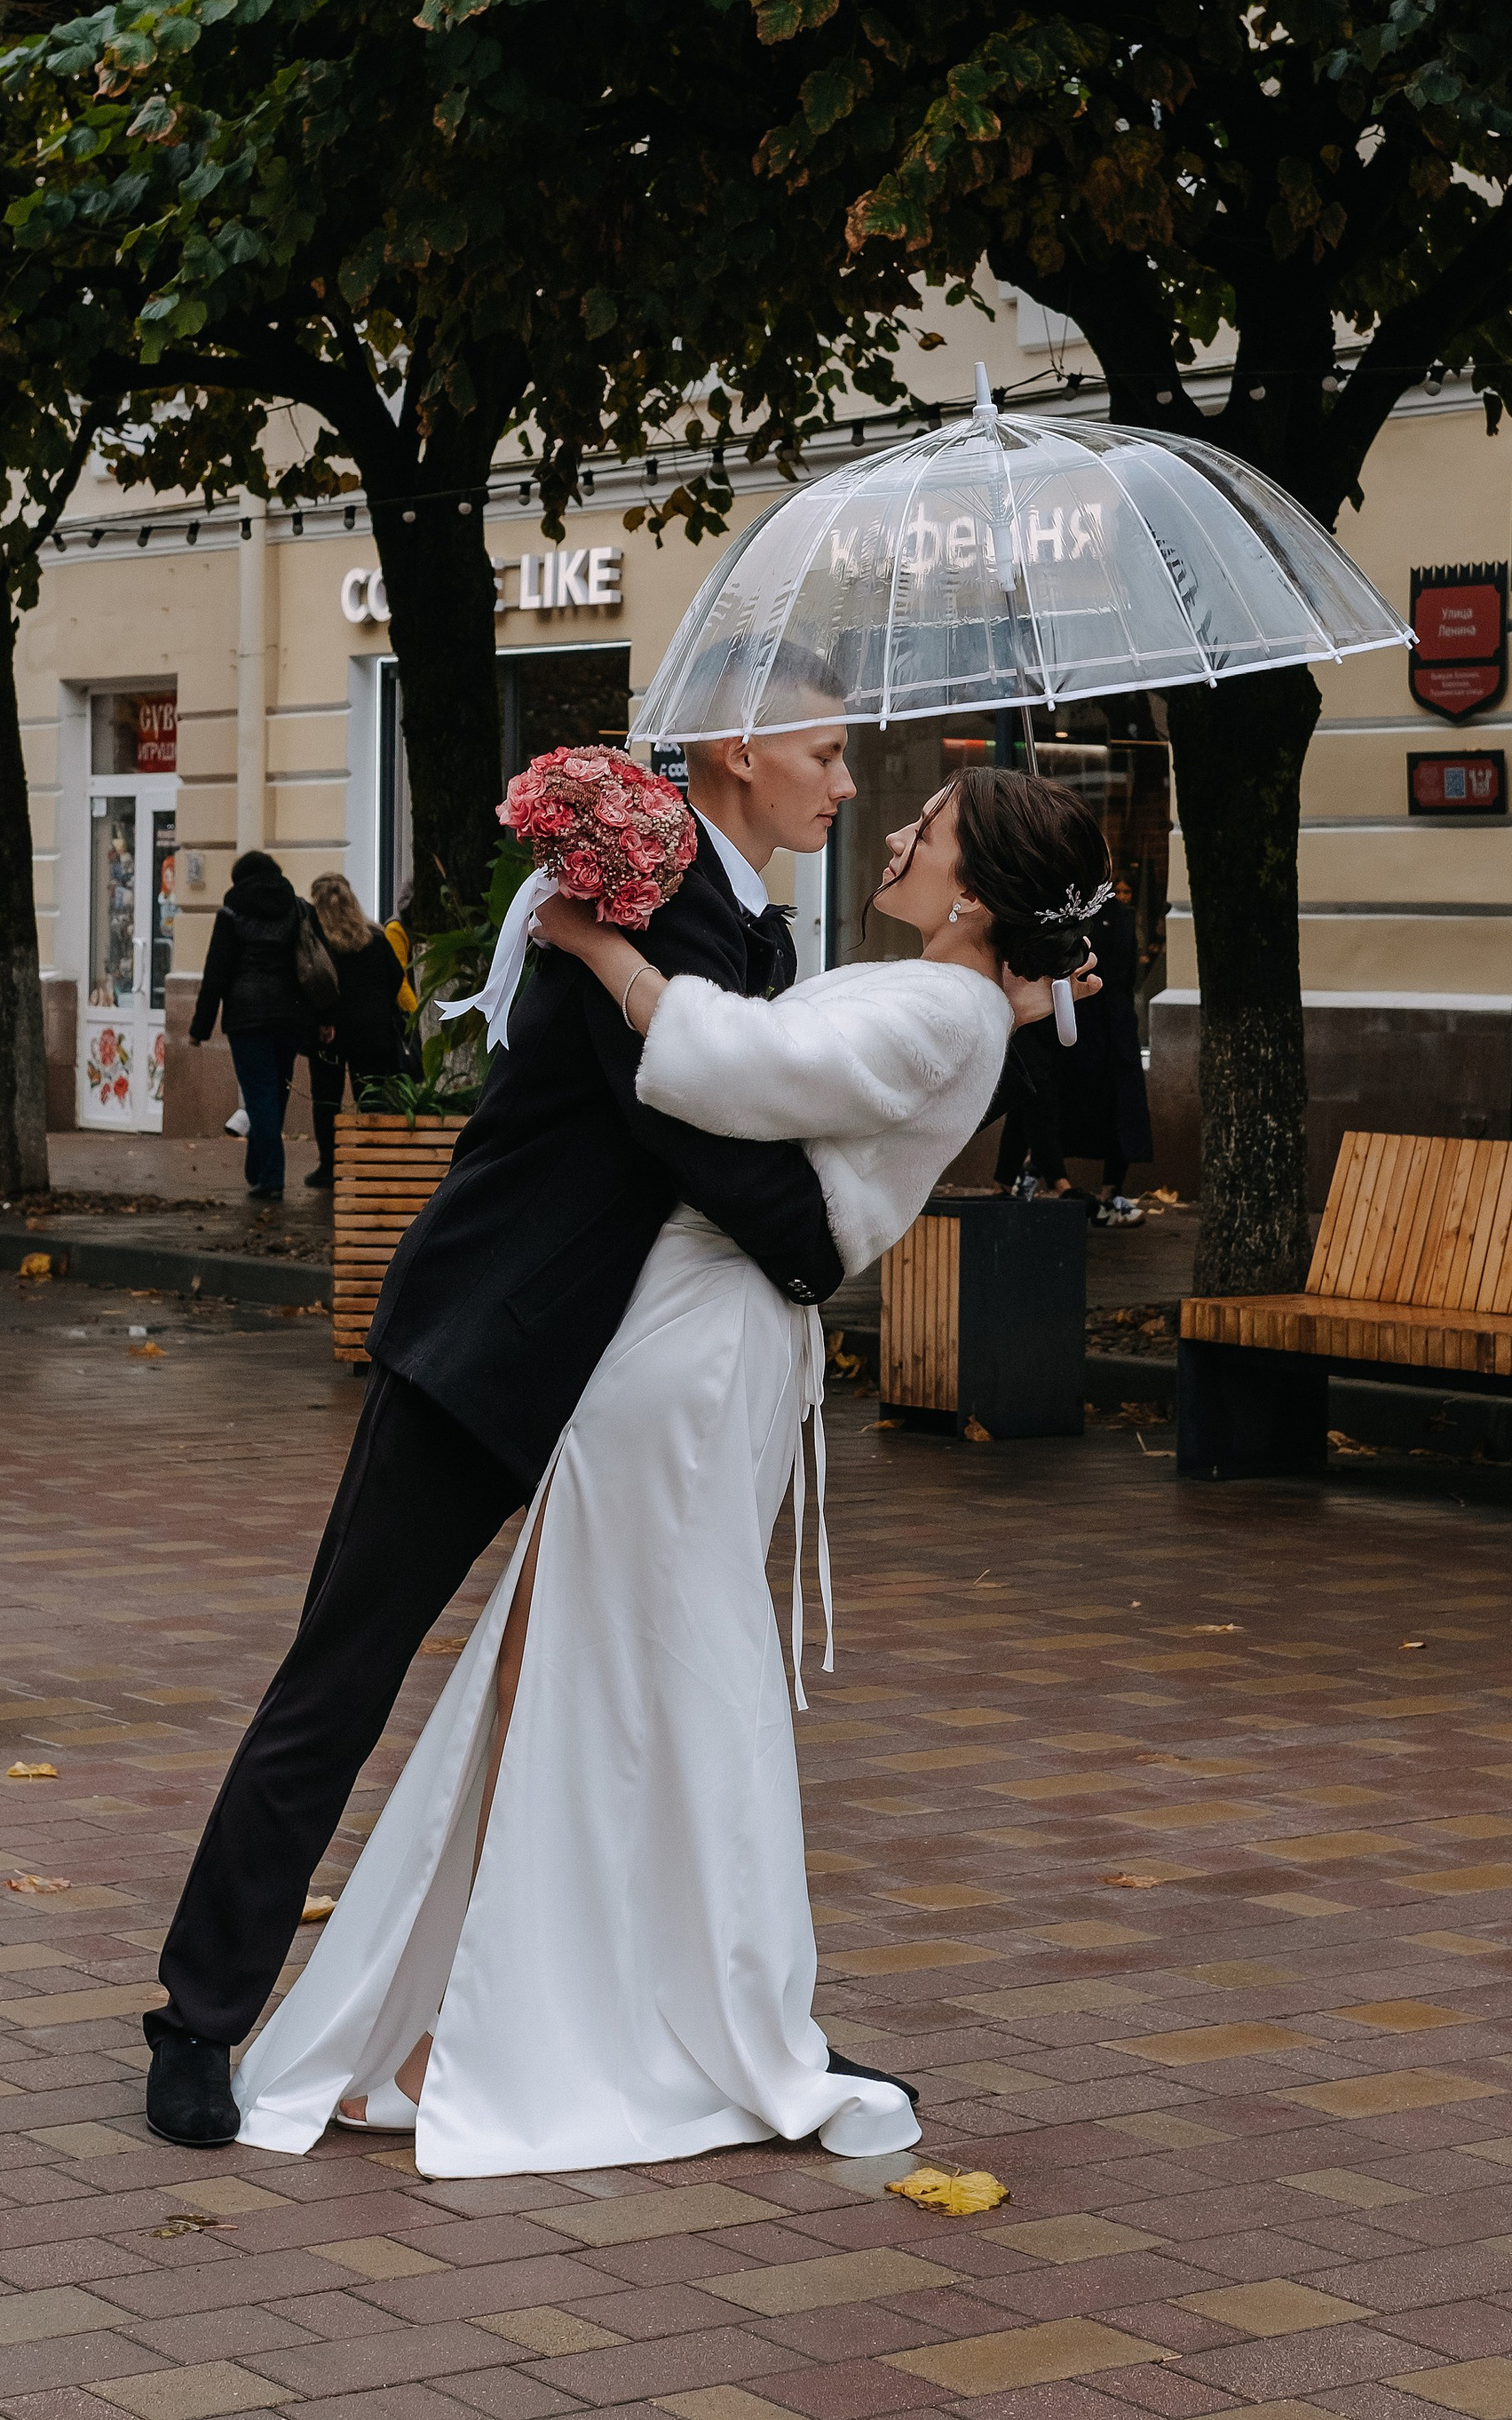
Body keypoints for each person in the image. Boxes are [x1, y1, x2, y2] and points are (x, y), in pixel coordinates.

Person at [226, 764, 1111, 2176]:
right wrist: (1004, 1003)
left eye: (929, 825)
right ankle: (518, 2014)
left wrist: (598, 949)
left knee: (586, 1668)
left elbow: (732, 1070)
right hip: (693, 1336)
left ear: (979, 889)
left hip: (695, 1351)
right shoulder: (950, 1004)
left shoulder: (942, 1008)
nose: (890, 825)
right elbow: (839, 1069)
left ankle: (517, 2028)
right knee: (581, 1667)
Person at [143, 658, 855, 2149]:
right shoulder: (644, 896)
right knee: (344, 1673)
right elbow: (704, 1136)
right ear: (738, 749)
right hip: (493, 1346)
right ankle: (198, 2019)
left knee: (665, 1704)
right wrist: (824, 1244)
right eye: (827, 752)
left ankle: (719, 2031)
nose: (845, 785)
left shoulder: (743, 921)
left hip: (626, 1388)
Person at [992, 886, 1152, 1218]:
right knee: (1035, 1093)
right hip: (1051, 1017)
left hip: (1085, 1019)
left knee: (1048, 1095)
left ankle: (1037, 1181)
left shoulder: (1114, 915)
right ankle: (1029, 1181)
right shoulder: (1047, 906)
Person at [188, 850, 313, 1200]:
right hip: (289, 1014)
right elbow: (310, 961)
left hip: (247, 1017)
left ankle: (271, 1177)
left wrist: (199, 1028)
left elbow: (216, 973)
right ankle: (258, 1168)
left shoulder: (231, 913)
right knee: (276, 1092)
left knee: (259, 1094)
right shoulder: (297, 908)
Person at [301, 871, 409, 1193]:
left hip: (330, 1034)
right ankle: (374, 1164)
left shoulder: (317, 943)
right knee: (373, 1098)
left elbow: (313, 985)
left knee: (326, 1101)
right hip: (373, 1031)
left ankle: (329, 1167)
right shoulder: (375, 937)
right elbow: (396, 978)